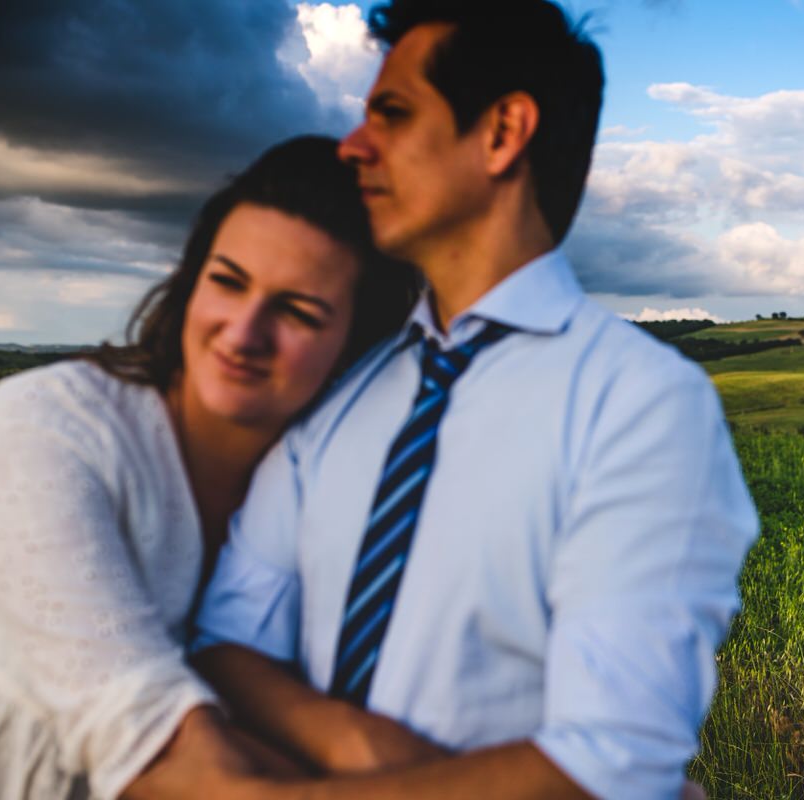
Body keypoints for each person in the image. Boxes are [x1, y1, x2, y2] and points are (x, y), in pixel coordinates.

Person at [192, 1, 760, 798]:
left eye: (392, 113)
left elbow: (612, 762)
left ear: (502, 133)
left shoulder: (643, 404)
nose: (353, 146)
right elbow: (226, 641)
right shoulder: (341, 392)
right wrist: (357, 742)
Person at [0, 136, 416, 799]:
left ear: (355, 348)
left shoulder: (333, 488)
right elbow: (170, 761)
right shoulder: (43, 430)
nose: (243, 334)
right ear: (190, 281)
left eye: (298, 312)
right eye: (227, 281)